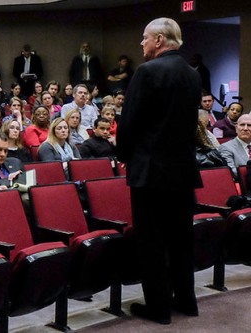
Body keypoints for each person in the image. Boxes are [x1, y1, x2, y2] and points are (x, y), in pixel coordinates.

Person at [117, 17, 203, 325]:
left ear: (158, 40)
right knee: (181, 239)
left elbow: (128, 123)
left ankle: (159, 308)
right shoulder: (193, 76)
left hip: (150, 172)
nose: (141, 43)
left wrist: (124, 156)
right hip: (182, 171)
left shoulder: (147, 71)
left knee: (151, 242)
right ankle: (186, 301)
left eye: (144, 38)